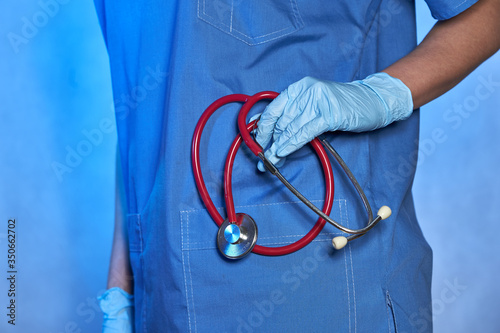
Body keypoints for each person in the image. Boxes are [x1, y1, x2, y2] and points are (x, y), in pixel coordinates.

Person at [94, 0, 500, 332]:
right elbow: (152, 115)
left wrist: (380, 95)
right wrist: (123, 279)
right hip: (161, 289)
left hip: (315, 281)